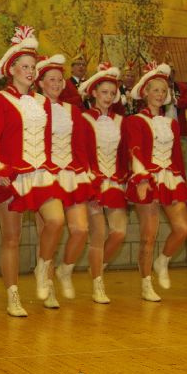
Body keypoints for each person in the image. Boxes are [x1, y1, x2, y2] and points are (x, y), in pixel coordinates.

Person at [0, 25, 67, 317]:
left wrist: (51, 169)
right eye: (25, 66)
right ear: (12, 69)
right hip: (12, 175)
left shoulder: (42, 102)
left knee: (56, 220)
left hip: (40, 172)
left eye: (33, 67)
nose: (31, 72)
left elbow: (46, 140)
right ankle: (13, 294)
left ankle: (43, 268)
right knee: (12, 238)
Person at [123, 62, 187, 302]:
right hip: (147, 178)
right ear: (145, 92)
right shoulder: (135, 121)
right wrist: (142, 179)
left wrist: (182, 182)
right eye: (155, 90)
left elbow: (177, 156)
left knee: (183, 227)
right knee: (149, 235)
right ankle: (146, 283)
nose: (160, 94)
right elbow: (134, 151)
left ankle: (163, 261)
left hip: (170, 178)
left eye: (164, 90)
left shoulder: (171, 123)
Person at [34, 54, 93, 305]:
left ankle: (65, 269)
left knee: (81, 229)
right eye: (51, 79)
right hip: (44, 173)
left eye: (60, 79)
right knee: (50, 228)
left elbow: (80, 145)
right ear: (40, 82)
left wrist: (85, 172)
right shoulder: (33, 108)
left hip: (71, 173)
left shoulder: (72, 110)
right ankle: (46, 282)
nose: (57, 84)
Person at [79, 63, 129, 303]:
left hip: (115, 181)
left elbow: (123, 154)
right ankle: (98, 284)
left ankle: (96, 267)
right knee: (98, 233)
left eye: (112, 93)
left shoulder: (121, 120)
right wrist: (90, 181)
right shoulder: (84, 119)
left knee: (119, 233)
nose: (108, 97)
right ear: (94, 93)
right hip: (93, 181)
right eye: (104, 92)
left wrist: (125, 177)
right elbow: (82, 152)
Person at [59, 42, 87, 107]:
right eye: (78, 64)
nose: (81, 66)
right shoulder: (65, 84)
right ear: (72, 68)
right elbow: (63, 103)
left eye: (83, 65)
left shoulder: (88, 84)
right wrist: (81, 98)